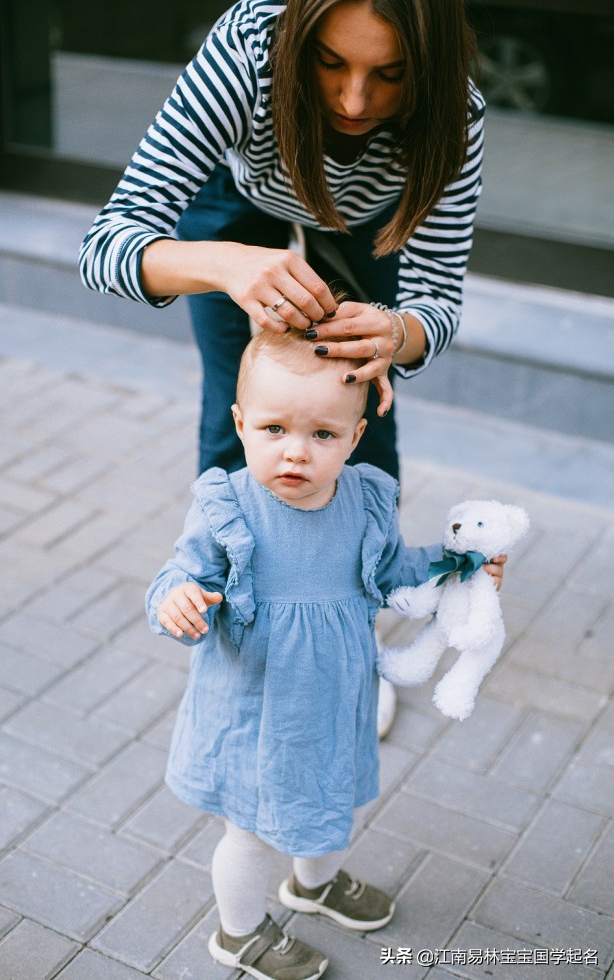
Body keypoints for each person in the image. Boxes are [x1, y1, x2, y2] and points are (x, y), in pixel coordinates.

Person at [80, 0, 483, 735]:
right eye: (330, 64)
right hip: (237, 206)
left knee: (356, 413)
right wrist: (227, 266)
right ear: (297, 43)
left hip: (372, 218)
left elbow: (437, 304)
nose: (355, 101)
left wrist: (398, 332)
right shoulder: (246, 51)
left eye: (389, 76)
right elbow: (104, 247)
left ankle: (347, 634)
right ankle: (233, 622)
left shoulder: (455, 109)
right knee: (240, 418)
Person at [145, 330, 505, 980]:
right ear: (240, 423)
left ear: (354, 436)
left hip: (335, 698)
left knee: (330, 798)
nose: (295, 451)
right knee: (250, 831)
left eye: (321, 435)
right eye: (274, 428)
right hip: (256, 707)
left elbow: (396, 569)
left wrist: (459, 568)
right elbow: (178, 576)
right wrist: (178, 601)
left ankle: (311, 885)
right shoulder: (229, 509)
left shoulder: (363, 503)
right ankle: (240, 932)